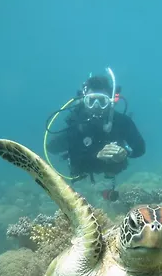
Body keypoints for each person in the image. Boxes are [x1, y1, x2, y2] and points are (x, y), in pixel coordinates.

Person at [45, 68, 146, 200]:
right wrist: (93, 152)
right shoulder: (76, 124)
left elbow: (140, 148)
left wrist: (126, 151)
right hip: (83, 173)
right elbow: (51, 148)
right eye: (91, 101)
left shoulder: (121, 121)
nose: (96, 106)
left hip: (112, 172)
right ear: (83, 100)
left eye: (102, 101)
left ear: (111, 101)